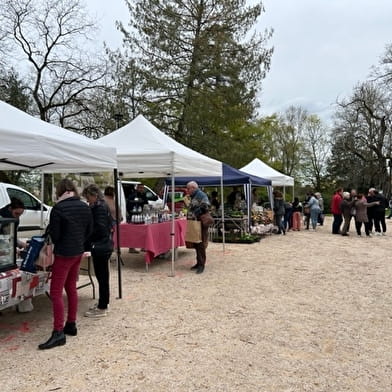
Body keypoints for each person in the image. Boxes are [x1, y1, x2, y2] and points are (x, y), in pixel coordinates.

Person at [39, 179, 93, 350]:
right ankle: (71, 324)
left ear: (60, 191)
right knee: (71, 287)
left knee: (55, 292)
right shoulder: (84, 206)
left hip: (64, 253)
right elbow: (89, 230)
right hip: (78, 251)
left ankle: (58, 332)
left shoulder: (58, 209)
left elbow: (55, 235)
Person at [82, 184, 114, 318]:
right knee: (103, 277)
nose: (88, 201)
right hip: (104, 245)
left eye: (88, 197)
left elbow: (100, 228)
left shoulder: (99, 208)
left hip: (100, 246)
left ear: (94, 195)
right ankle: (103, 302)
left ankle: (102, 307)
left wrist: (88, 237)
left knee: (102, 277)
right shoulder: (102, 205)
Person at [186, 181, 210, 274]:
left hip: (201, 222)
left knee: (200, 244)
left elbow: (206, 206)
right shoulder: (194, 196)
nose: (187, 190)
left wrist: (195, 212)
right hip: (195, 221)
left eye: (188, 189)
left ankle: (201, 265)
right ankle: (198, 262)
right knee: (196, 243)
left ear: (193, 188)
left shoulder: (201, 195)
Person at [127, 183, 148, 253]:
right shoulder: (133, 195)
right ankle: (131, 248)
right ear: (137, 188)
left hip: (141, 215)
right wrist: (131, 213)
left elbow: (146, 204)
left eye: (143, 188)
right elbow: (128, 205)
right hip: (133, 216)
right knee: (132, 232)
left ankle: (143, 246)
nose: (142, 189)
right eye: (140, 188)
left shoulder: (144, 195)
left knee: (142, 232)